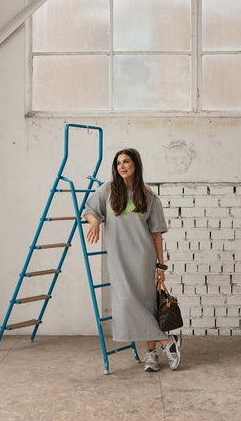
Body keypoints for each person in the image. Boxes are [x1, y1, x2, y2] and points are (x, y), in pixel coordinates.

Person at [83, 148, 181, 372]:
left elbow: (156, 234)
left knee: (148, 305)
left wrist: (161, 266)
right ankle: (167, 341)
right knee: (127, 303)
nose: (122, 166)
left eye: (126, 162)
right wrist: (95, 222)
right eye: (118, 163)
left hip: (143, 259)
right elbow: (88, 210)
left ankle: (151, 355)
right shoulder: (108, 190)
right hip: (118, 260)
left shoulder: (149, 197)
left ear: (136, 164)